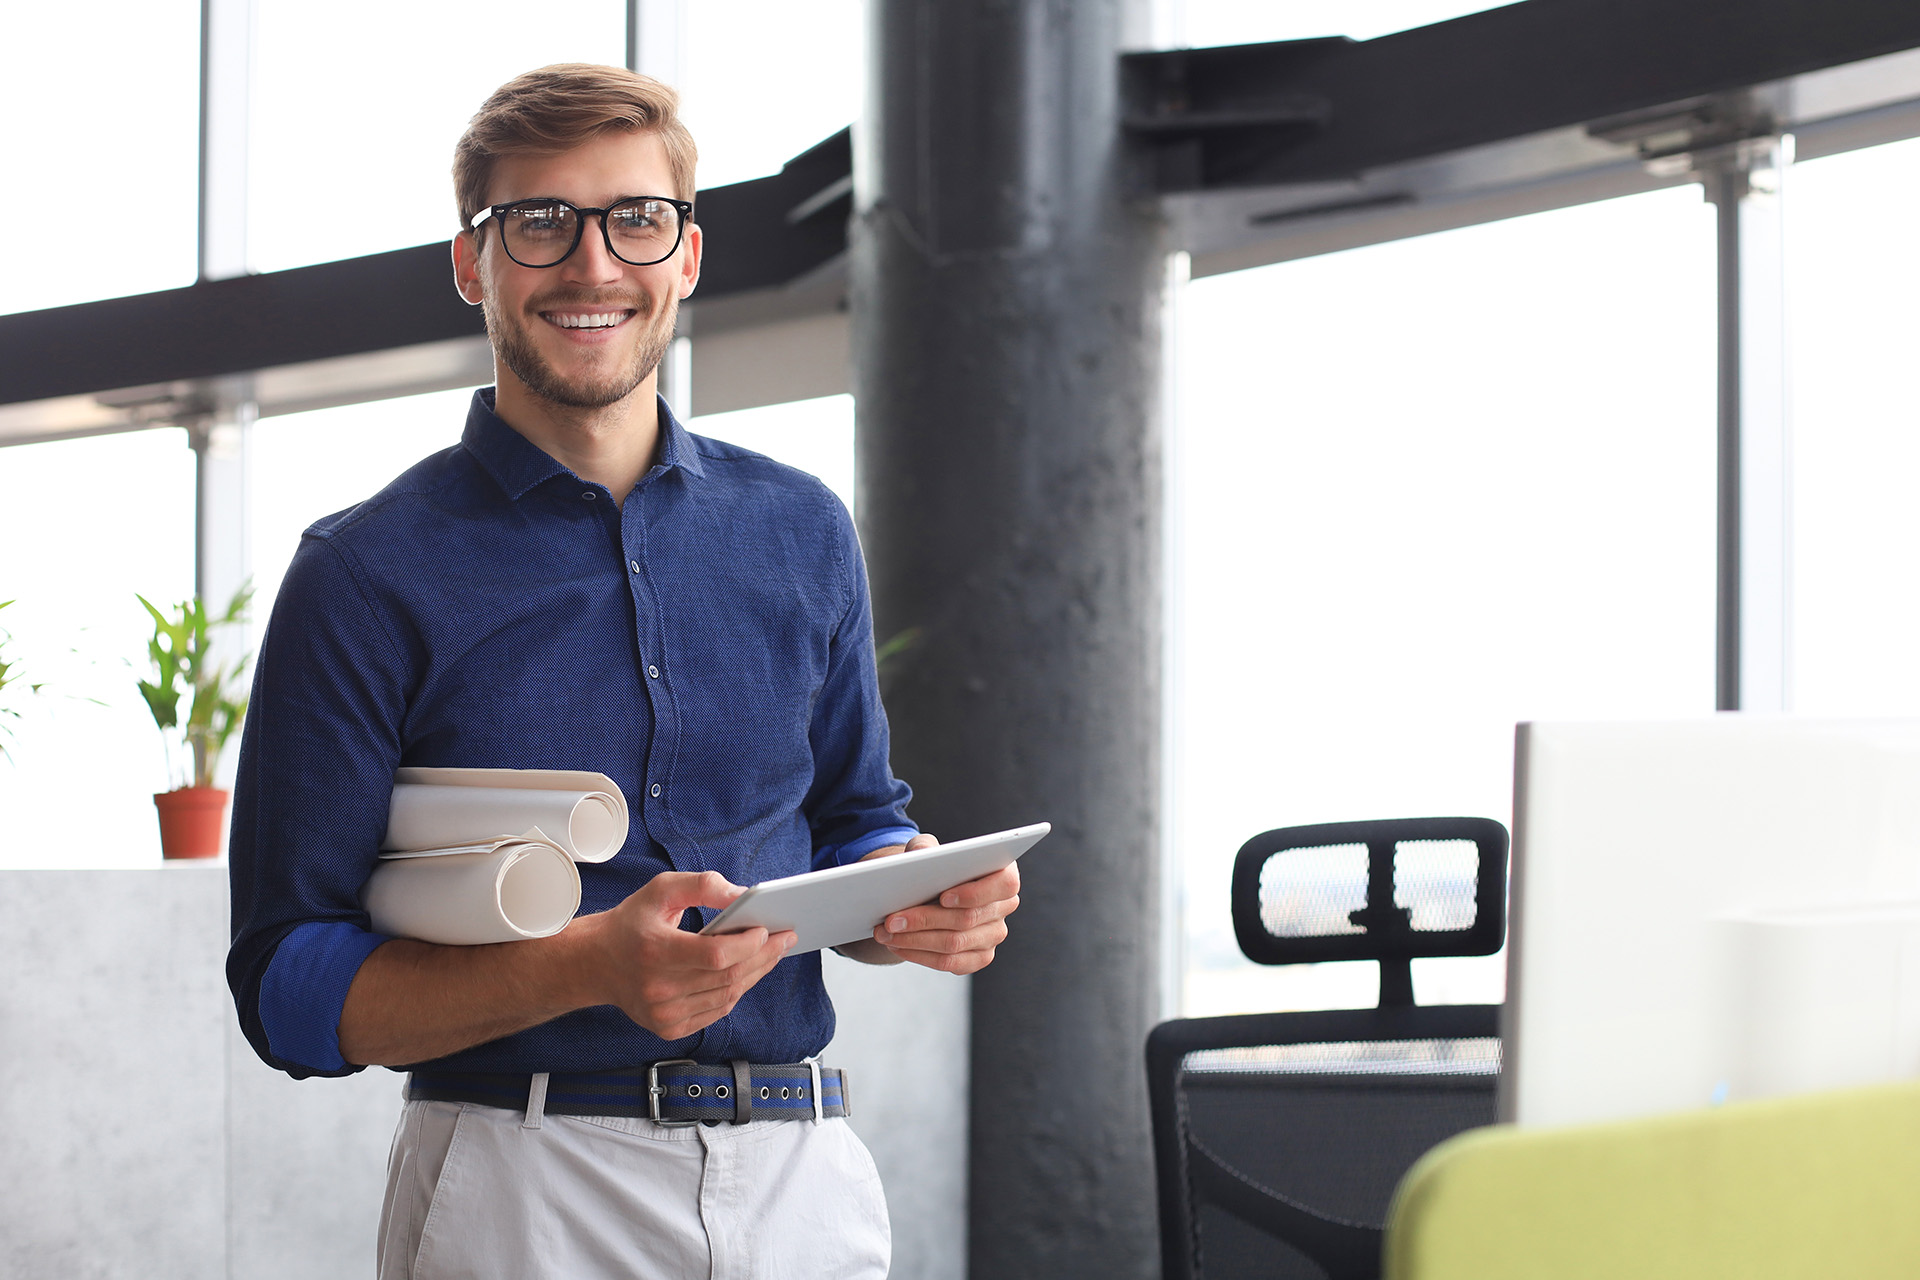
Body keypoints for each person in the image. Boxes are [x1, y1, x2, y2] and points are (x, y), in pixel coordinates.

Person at [225, 63, 1020, 1280]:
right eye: (538, 221)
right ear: (471, 263)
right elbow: (288, 989)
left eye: (635, 218)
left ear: (686, 255)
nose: (594, 266)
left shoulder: (801, 527)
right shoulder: (362, 572)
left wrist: (908, 895)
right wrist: (588, 963)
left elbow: (858, 820)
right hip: (525, 1186)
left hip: (805, 1177)